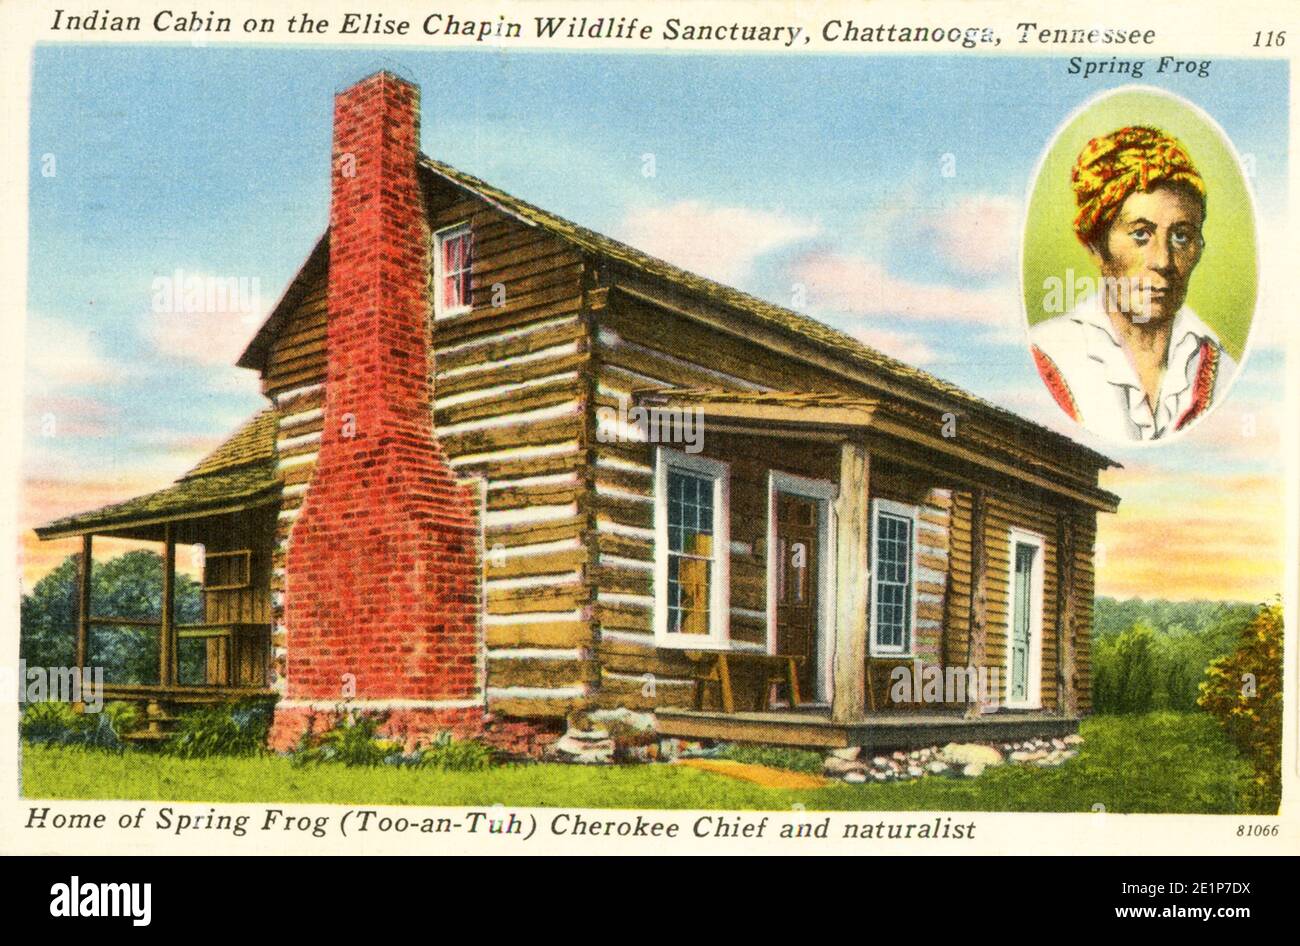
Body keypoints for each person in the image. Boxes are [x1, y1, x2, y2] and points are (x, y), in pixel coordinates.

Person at [1030, 126, 1236, 442]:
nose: (1164, 261)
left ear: (1199, 248)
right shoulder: (1052, 355)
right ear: (1096, 247)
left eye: (1181, 236)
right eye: (1141, 234)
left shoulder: (1221, 373)